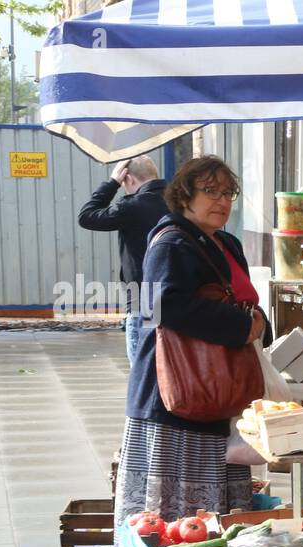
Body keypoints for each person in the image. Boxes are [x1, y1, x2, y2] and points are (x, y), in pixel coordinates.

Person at [115, 156, 268, 523]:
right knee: (178, 518)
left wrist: (258, 323)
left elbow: (242, 302)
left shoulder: (226, 243)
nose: (221, 201)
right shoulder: (172, 243)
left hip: (221, 390)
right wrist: (237, 326)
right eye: (210, 191)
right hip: (177, 397)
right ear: (184, 195)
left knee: (216, 516)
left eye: (228, 193)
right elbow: (160, 305)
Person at [77, 155, 169, 365]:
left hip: (142, 298)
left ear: (127, 178)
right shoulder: (178, 202)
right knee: (169, 368)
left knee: (142, 370)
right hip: (175, 296)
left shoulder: (132, 206)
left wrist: (111, 183)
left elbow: (87, 216)